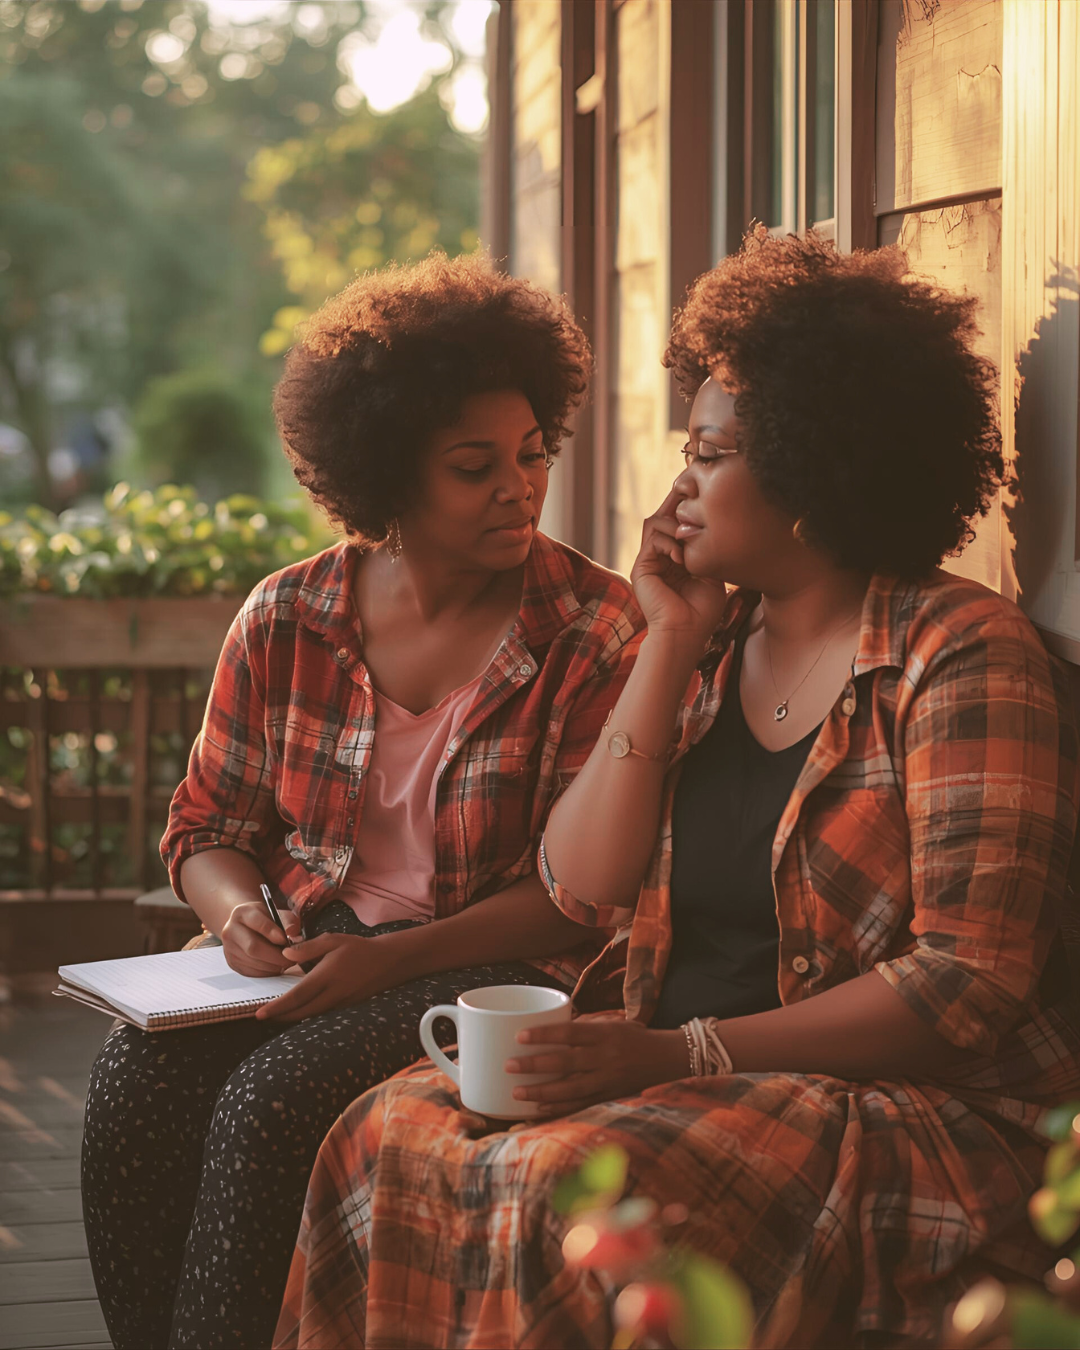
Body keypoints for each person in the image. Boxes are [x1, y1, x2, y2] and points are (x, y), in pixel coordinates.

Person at [273, 230, 1080, 1350]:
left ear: (808, 465)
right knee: (383, 1129)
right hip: (673, 1063)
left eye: (708, 455)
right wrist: (667, 642)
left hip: (901, 1112)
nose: (679, 486)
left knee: (564, 1182)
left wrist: (680, 1052)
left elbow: (965, 988)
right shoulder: (708, 641)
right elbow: (581, 881)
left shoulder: (955, 651)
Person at [81, 253, 644, 1350]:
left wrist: (387, 961)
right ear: (388, 477)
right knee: (133, 1087)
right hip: (316, 945)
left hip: (502, 967)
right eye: (473, 467)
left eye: (531, 455)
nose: (518, 487)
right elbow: (205, 829)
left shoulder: (592, 629)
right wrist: (237, 914)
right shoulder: (288, 617)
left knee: (269, 1104)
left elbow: (577, 902)